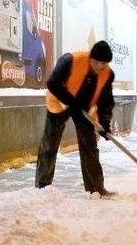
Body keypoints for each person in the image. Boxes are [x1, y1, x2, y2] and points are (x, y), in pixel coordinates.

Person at [35, 41, 115, 196]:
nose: (101, 67)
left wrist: (105, 124)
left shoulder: (107, 74)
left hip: (83, 110)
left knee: (90, 146)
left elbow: (106, 102)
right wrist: (71, 102)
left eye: (105, 63)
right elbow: (52, 83)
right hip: (59, 102)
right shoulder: (70, 60)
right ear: (91, 58)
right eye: (99, 62)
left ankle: (96, 188)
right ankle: (42, 187)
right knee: (49, 144)